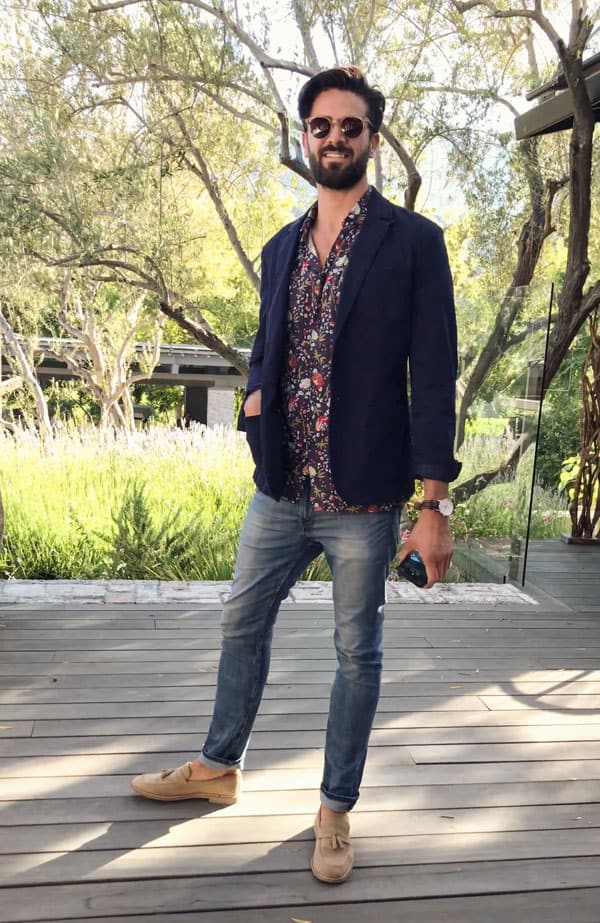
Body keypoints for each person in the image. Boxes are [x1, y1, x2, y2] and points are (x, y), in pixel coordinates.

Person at [131, 65, 461, 884]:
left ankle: (335, 809)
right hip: (282, 487)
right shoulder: (282, 245)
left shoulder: (414, 243)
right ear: (305, 137)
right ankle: (217, 767)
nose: (336, 138)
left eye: (351, 126)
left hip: (365, 496)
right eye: (321, 126)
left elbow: (436, 373)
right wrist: (252, 410)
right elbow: (265, 350)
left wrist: (433, 501)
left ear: (371, 141)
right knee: (241, 620)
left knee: (358, 653)